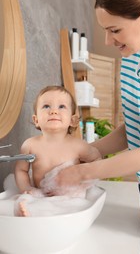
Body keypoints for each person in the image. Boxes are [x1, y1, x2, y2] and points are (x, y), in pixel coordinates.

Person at [54, 0, 140, 253]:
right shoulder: (131, 60)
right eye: (105, 31)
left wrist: (81, 173)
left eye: (115, 30)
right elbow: (134, 127)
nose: (109, 41)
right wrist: (91, 151)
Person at [0, 85, 102, 217]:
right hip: (39, 195)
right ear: (36, 120)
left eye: (61, 107)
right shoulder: (30, 144)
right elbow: (21, 170)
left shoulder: (79, 146)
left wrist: (84, 182)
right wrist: (27, 189)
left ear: (73, 120)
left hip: (70, 198)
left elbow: (97, 161)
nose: (53, 111)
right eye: (46, 106)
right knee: (24, 199)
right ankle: (26, 211)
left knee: (67, 208)